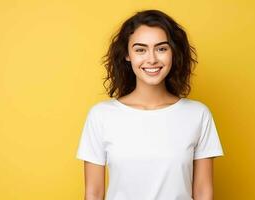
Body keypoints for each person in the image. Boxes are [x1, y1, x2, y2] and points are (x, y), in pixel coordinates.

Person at [76, 9, 224, 200]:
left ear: (173, 52)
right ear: (127, 55)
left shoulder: (198, 114)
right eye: (140, 49)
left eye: (161, 48)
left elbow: (203, 192)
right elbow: (93, 194)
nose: (152, 59)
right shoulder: (101, 116)